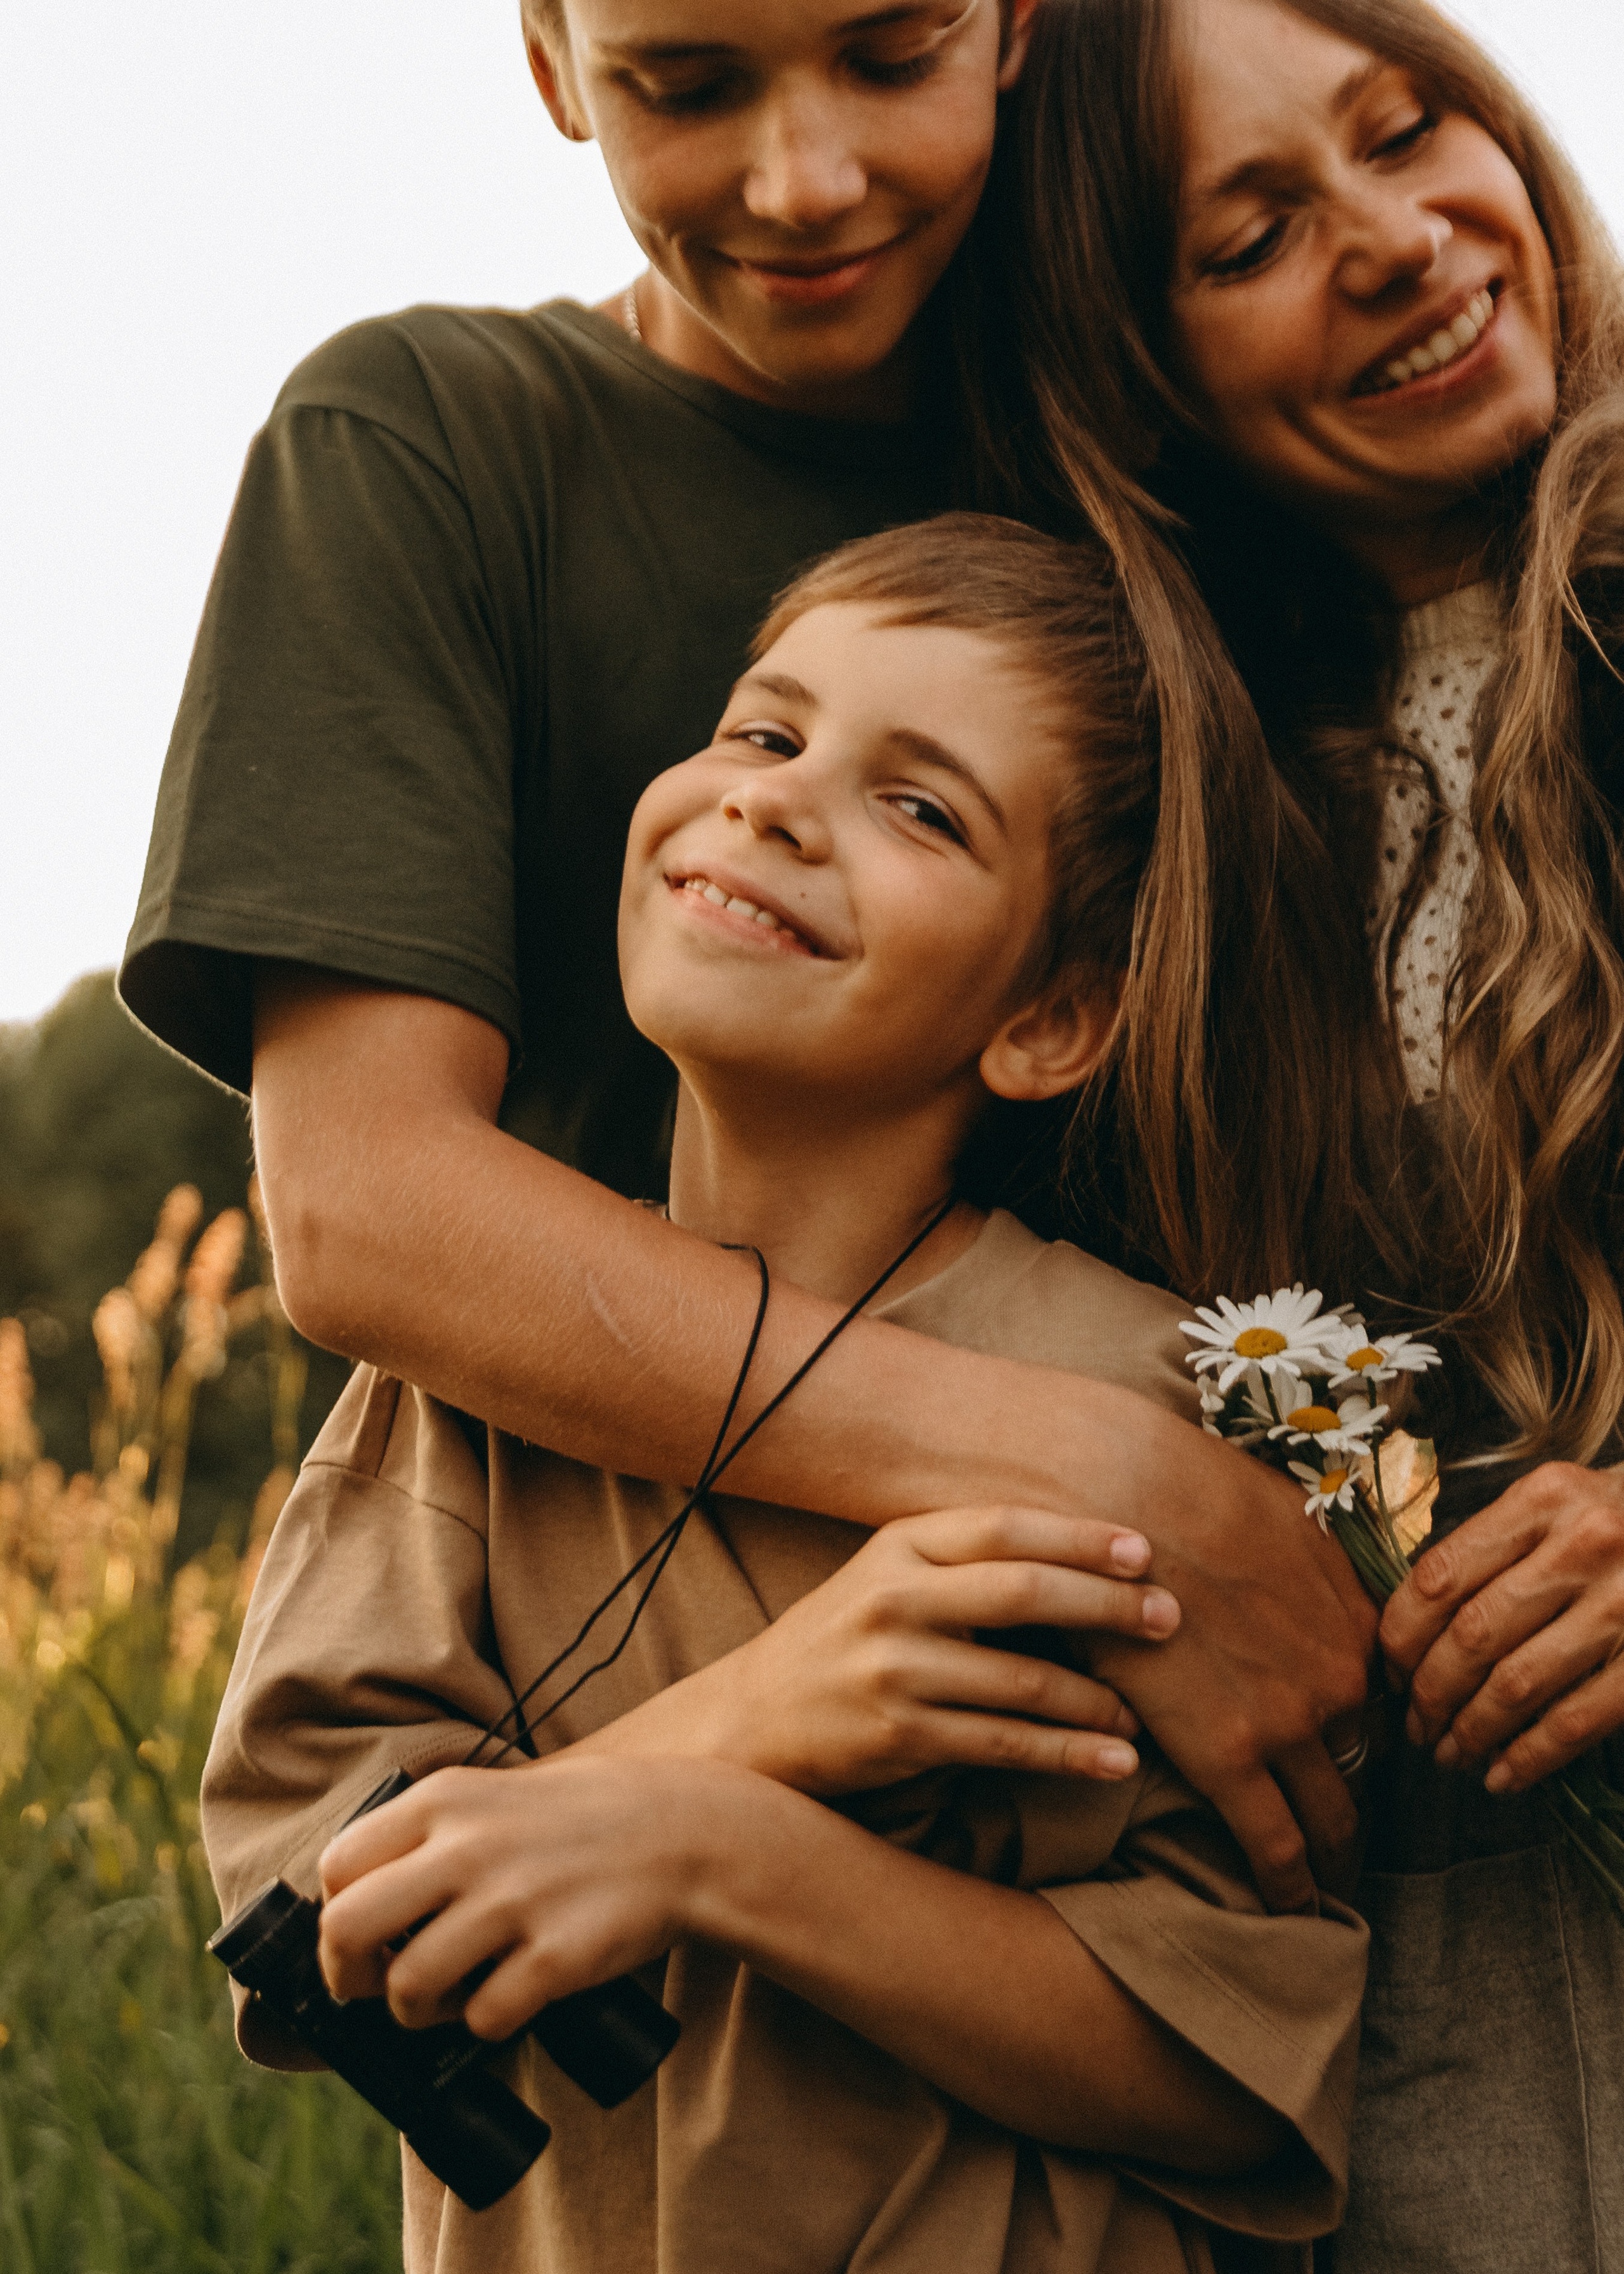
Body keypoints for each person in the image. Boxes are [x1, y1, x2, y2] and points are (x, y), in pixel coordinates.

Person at [119, 0, 1375, 1911]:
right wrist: (1104, 1486)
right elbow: (369, 1201)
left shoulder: (1175, 439)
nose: (806, 181)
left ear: (1018, 22)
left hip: (1153, 1806)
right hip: (605, 1694)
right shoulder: (428, 446)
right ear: (549, 62)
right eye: (688, 85)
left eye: (892, 52)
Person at [202, 515, 1369, 2274]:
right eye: (765, 728)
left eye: (925, 807)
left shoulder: (1151, 1419)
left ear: (1050, 1018)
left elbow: (1240, 2071)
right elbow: (320, 1942)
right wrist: (755, 1724)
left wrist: (729, 1849)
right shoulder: (464, 1376)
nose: (776, 799)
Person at [959, 1, 1624, 2264]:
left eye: (1407, 126)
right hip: (1427, 1998)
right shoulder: (1183, 856)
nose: (1391, 237)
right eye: (1253, 231)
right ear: (1141, 373)